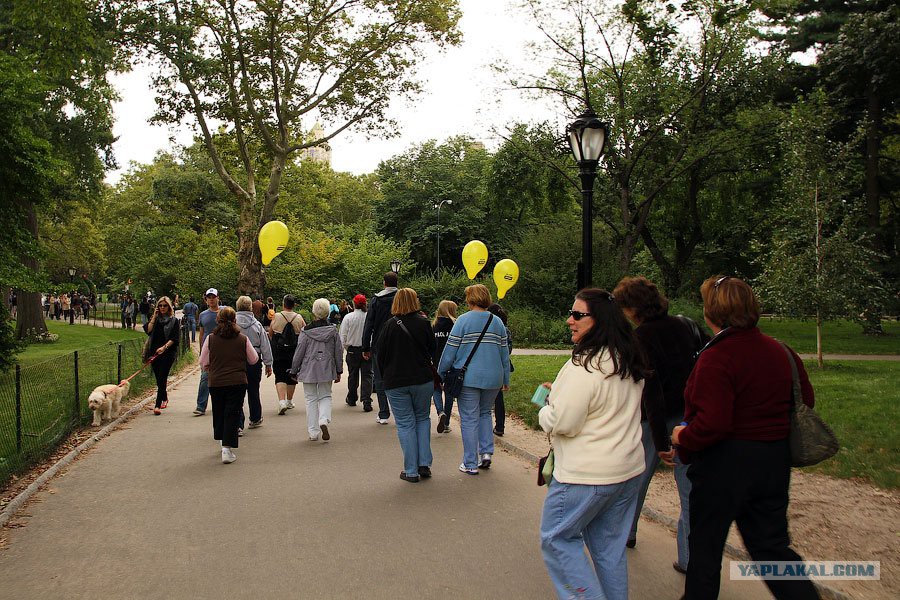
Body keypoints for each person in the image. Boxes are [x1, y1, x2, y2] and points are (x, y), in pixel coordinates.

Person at [671, 276, 819, 600]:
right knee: (772, 548)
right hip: (772, 462)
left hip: (723, 465)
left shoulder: (716, 357)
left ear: (712, 312)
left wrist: (683, 437)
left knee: (706, 548)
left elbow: (714, 422)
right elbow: (804, 399)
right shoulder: (781, 351)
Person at [538, 288, 648, 600]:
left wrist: (547, 408)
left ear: (598, 320)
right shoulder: (626, 359)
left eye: (577, 315)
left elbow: (564, 423)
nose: (569, 320)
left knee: (557, 539)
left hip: (586, 475)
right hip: (626, 471)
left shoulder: (585, 366)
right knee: (608, 548)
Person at [613, 276, 707, 574]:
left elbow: (651, 392)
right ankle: (690, 556)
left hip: (654, 419)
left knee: (635, 480)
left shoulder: (641, 338)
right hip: (688, 413)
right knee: (689, 489)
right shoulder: (684, 325)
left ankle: (625, 533)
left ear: (633, 308)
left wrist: (661, 440)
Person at [437, 284, 510, 475]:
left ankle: (470, 462)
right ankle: (486, 453)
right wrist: (506, 378)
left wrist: (441, 372)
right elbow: (504, 354)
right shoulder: (497, 322)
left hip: (468, 377)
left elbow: (449, 352)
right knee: (485, 413)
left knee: (469, 418)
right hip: (494, 377)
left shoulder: (463, 321)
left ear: (470, 299)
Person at [374, 288, 436, 483]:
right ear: (414, 301)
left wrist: (385, 377)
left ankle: (411, 470)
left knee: (405, 424)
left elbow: (380, 355)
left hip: (396, 381)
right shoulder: (424, 323)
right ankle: (424, 463)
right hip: (422, 379)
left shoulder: (389, 326)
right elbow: (433, 350)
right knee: (422, 419)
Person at [200, 307, 259, 464]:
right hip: (237, 381)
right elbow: (253, 359)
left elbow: (203, 361)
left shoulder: (211, 339)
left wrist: (210, 367)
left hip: (216, 381)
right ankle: (227, 448)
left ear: (217, 321)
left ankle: (221, 440)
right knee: (232, 412)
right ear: (235, 321)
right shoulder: (242, 339)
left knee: (219, 412)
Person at [289, 298, 342, 441]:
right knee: (325, 395)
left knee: (310, 399)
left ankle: (313, 432)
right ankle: (324, 419)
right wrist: (339, 369)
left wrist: (294, 370)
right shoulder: (333, 331)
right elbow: (338, 351)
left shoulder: (305, 332)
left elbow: (299, 351)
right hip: (327, 367)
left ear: (313, 312)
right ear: (328, 312)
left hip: (308, 368)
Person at [361, 272, 399, 424]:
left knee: (380, 378)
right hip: (398, 343)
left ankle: (384, 413)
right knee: (397, 377)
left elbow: (369, 324)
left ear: (384, 283)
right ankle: (399, 410)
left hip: (379, 344)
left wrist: (366, 347)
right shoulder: (402, 298)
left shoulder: (376, 300)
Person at [235, 296, 273, 430]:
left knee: (237, 392)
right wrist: (268, 364)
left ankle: (238, 424)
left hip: (236, 360)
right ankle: (255, 417)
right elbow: (265, 345)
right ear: (250, 307)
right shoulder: (257, 325)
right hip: (254, 360)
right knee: (253, 390)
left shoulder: (232, 324)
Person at [143, 296, 181, 416]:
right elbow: (148, 331)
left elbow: (175, 338)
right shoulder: (156, 320)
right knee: (158, 378)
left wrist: (164, 347)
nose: (162, 308)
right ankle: (164, 396)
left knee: (162, 377)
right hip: (154, 352)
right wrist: (154, 316)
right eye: (160, 305)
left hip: (167, 352)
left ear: (169, 307)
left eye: (165, 305)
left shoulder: (174, 321)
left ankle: (157, 405)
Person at [269, 294, 306, 415]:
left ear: (283, 304)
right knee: (292, 374)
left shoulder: (277, 316)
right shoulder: (299, 317)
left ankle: (281, 402)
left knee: (279, 374)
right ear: (294, 305)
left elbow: (270, 333)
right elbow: (304, 332)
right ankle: (289, 401)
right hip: (294, 351)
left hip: (279, 351)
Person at [194, 288, 224, 416]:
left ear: (218, 298)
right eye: (209, 297)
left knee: (222, 377)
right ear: (206, 299)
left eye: (213, 297)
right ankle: (201, 405)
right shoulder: (203, 315)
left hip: (223, 349)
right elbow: (201, 333)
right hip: (208, 350)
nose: (211, 299)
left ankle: (222, 403)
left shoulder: (225, 312)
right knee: (205, 377)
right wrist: (201, 351)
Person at [340, 294, 373, 408]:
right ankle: (366, 400)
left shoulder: (348, 317)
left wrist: (346, 347)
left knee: (353, 374)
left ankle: (352, 397)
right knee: (367, 375)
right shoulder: (369, 316)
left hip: (353, 349)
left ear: (354, 304)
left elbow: (343, 335)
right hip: (367, 349)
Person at [487, 302, 513, 437]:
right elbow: (509, 349)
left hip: (489, 364)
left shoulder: (491, 328)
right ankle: (500, 426)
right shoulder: (506, 329)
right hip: (501, 366)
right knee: (498, 398)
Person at [431, 300, 457, 433]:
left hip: (436, 364)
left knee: (436, 390)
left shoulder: (434, 325)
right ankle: (446, 423)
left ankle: (440, 412)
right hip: (452, 364)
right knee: (449, 393)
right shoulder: (455, 324)